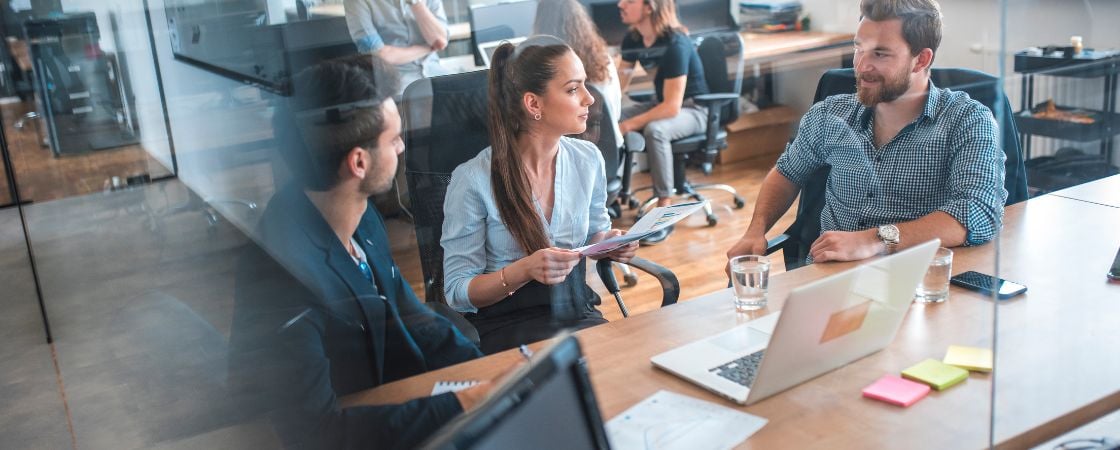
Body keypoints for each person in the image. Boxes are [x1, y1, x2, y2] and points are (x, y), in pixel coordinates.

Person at [229, 54, 492, 450]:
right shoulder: (284, 277)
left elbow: (412, 315)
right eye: (394, 139)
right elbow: (316, 434)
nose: (403, 148)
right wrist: (460, 402)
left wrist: (489, 368)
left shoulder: (360, 217)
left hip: (381, 406)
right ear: (358, 162)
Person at [726, 0, 1006, 266]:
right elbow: (787, 172)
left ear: (921, 60)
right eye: (859, 49)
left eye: (880, 54)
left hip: (912, 283)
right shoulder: (830, 114)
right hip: (828, 279)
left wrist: (875, 240)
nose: (861, 66)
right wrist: (756, 230)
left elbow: (978, 212)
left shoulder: (966, 121)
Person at [441, 36, 638, 355]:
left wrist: (610, 243)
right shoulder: (473, 180)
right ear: (534, 104)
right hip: (506, 326)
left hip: (575, 312)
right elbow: (457, 290)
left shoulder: (588, 160)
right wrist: (524, 270)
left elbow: (592, 234)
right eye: (573, 89)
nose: (589, 99)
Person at [615, 0, 710, 244]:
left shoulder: (676, 44)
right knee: (609, 118)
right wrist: (610, 112)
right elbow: (619, 86)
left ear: (649, 7)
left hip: (694, 110)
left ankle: (664, 211)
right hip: (663, 102)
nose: (620, 4)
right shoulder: (633, 40)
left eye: (629, 0)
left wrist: (627, 125)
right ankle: (612, 196)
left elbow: (671, 106)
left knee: (655, 130)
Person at [533, 0, 624, 147]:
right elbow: (616, 111)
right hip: (610, 152)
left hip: (567, 156)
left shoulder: (544, 68)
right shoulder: (604, 59)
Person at [344, 0, 449, 94]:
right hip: (395, 85)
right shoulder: (355, 2)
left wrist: (415, 3)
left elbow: (440, 39)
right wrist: (428, 48)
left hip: (435, 73)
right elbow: (380, 55)